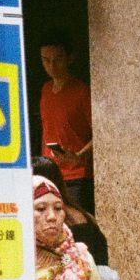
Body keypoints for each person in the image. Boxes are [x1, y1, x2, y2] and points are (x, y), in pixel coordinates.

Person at [37, 38, 95, 213]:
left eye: (57, 59)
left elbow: (101, 132)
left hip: (77, 175)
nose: (51, 66)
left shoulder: (81, 91)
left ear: (69, 58)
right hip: (50, 173)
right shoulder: (46, 89)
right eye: (46, 60)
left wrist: (79, 155)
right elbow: (46, 129)